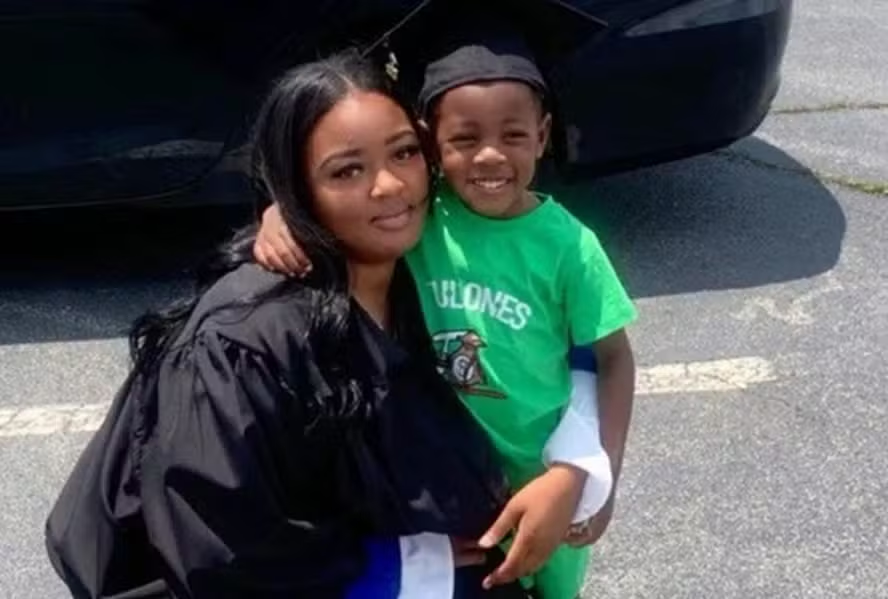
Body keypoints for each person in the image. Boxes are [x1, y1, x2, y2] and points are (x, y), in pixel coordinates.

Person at [44, 51, 534, 599]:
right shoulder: (245, 340)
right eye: (346, 171)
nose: (390, 185)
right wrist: (399, 565)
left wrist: (577, 473)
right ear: (296, 189)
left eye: (404, 152)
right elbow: (220, 551)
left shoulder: (426, 272)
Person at [253, 30, 638, 599]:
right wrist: (280, 214)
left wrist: (599, 476)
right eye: (464, 138)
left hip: (540, 472)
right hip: (444, 472)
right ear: (431, 143)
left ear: (543, 135)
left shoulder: (570, 248)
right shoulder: (423, 217)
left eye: (513, 135)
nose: (490, 155)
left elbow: (613, 359)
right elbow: (345, 206)